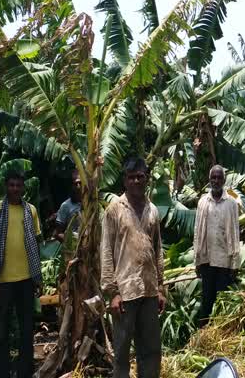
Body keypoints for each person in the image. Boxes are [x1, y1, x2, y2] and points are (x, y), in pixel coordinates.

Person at [101, 156, 166, 378]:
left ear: (146, 178)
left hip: (148, 289)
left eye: (140, 177)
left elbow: (158, 250)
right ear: (125, 180)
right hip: (124, 293)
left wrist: (160, 288)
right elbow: (106, 252)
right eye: (132, 177)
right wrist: (112, 292)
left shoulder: (153, 210)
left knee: (151, 350)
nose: (136, 181)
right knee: (121, 352)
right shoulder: (114, 210)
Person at [0, 169, 43, 378]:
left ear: (23, 187)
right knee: (1, 330)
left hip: (26, 280)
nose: (15, 189)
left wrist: (38, 278)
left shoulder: (31, 211)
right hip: (2, 281)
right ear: (5, 186)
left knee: (27, 329)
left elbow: (36, 243)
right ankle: (1, 372)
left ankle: (24, 371)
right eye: (11, 185)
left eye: (18, 185)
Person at [194, 165, 241, 326]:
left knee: (221, 301)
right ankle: (202, 336)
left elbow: (234, 233)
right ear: (209, 179)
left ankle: (221, 335)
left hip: (224, 262)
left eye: (219, 177)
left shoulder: (231, 204)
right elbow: (198, 233)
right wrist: (197, 261)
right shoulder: (202, 202)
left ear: (224, 180)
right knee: (206, 300)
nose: (216, 181)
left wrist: (235, 263)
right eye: (213, 177)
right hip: (207, 261)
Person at [54, 169, 82, 245]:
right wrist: (73, 244)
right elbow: (57, 233)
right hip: (75, 250)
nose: (78, 186)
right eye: (75, 184)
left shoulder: (93, 203)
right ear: (72, 186)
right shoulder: (66, 206)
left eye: (80, 183)